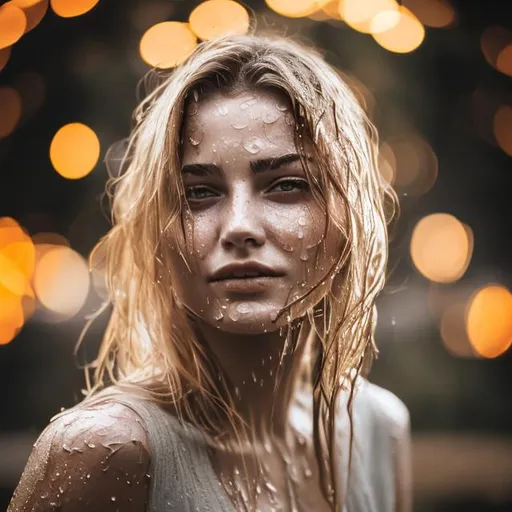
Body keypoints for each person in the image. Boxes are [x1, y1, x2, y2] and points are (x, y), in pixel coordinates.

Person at [8, 33, 411, 512]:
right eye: (199, 193)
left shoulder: (378, 429)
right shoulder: (106, 452)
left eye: (286, 184)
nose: (239, 227)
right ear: (156, 233)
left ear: (351, 217)